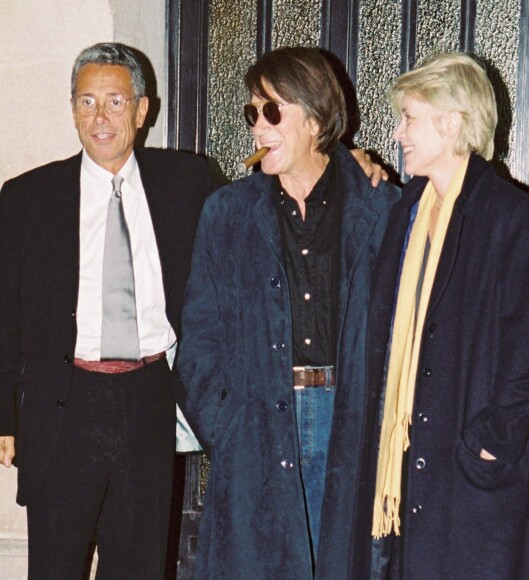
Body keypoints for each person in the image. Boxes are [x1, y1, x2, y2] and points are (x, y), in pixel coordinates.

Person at [177, 46, 401, 578]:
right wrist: (225, 422)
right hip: (256, 422)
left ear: (317, 118)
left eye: (272, 111)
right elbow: (199, 334)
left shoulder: (381, 207)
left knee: (350, 564)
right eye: (252, 113)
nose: (258, 127)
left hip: (351, 419)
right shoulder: (228, 212)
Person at [0, 42, 217, 578]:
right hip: (63, 402)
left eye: (115, 102)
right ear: (72, 109)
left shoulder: (189, 185)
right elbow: (4, 314)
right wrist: (3, 416)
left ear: (143, 111)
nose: (100, 118)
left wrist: (344, 161)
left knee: (141, 563)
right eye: (87, 102)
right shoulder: (27, 197)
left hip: (149, 398)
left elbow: (265, 211)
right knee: (55, 563)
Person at [363, 52, 529, 578]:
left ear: (450, 123)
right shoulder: (408, 210)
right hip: (420, 476)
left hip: (478, 483)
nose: (399, 131)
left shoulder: (511, 217)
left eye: (410, 117)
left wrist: (487, 444)